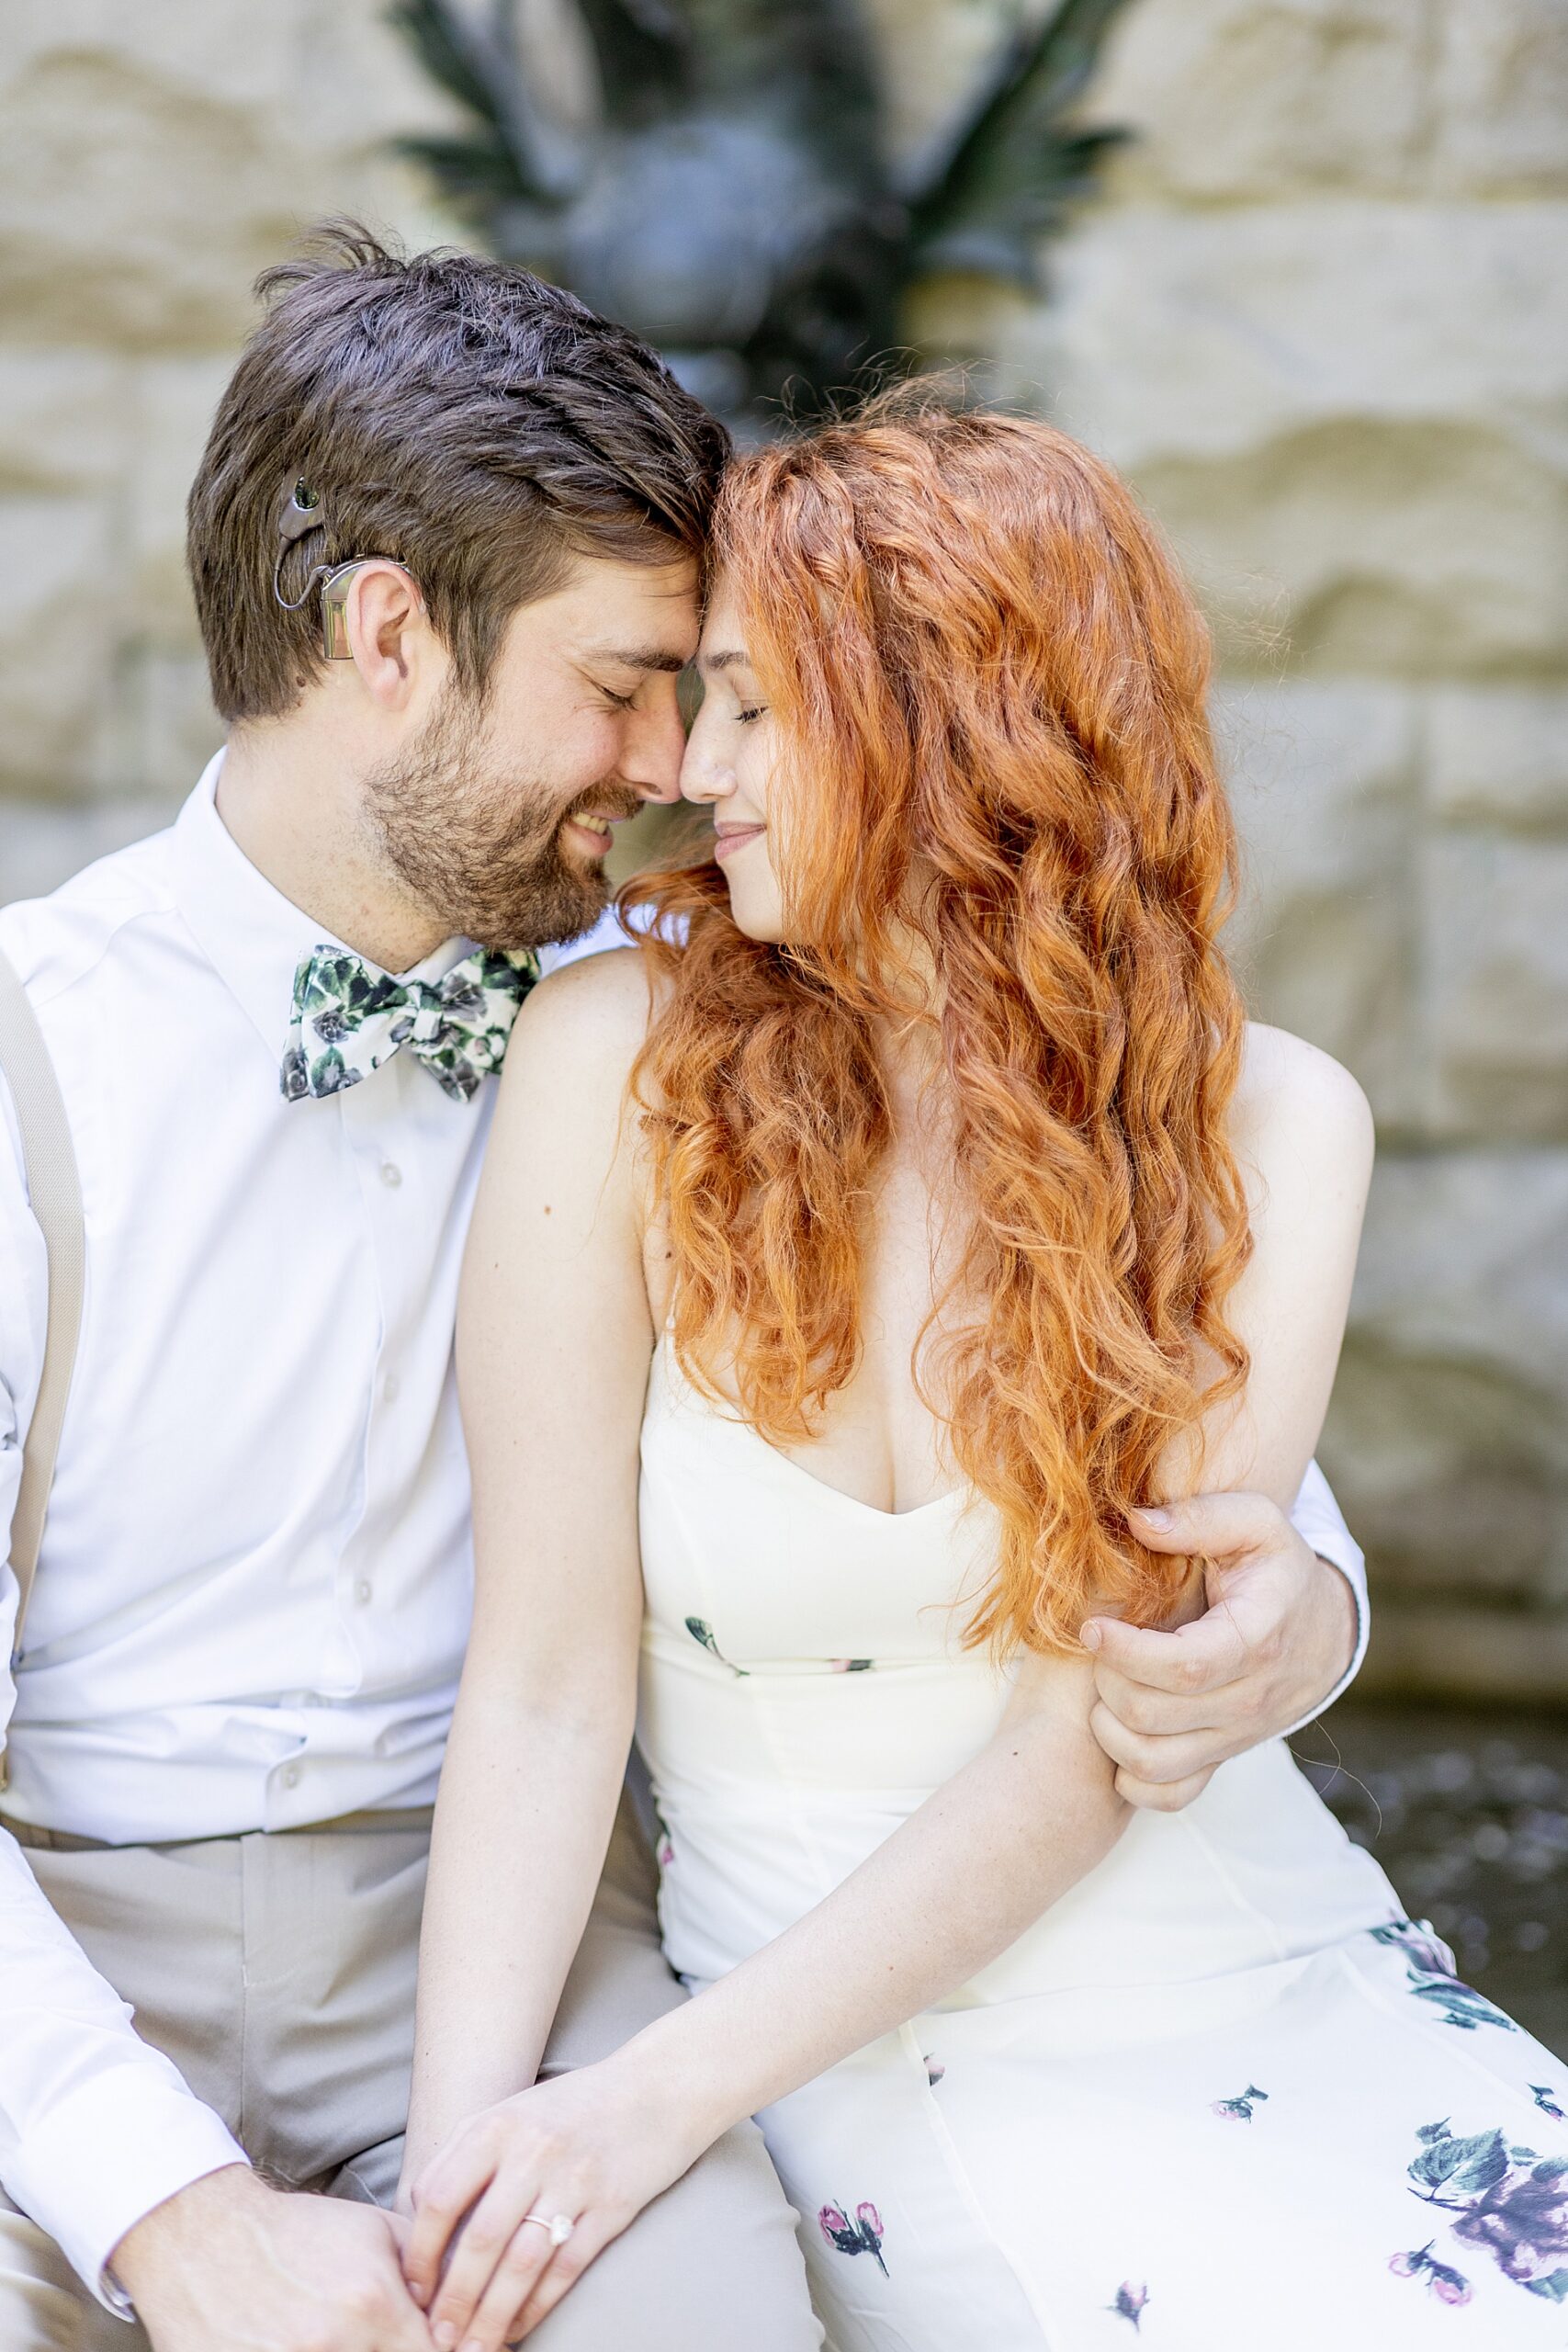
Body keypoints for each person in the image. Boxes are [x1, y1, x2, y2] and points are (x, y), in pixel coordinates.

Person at [0, 233, 1365, 2351]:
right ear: (387, 632)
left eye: (708, 694)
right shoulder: (29, 1059)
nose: (668, 769)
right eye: (628, 682)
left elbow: (1098, 1326)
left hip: (503, 1939)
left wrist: (1305, 1584)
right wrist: (169, 2215)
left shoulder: (676, 1026)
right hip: (57, 1942)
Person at [401, 399, 1568, 2351]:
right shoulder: (612, 1061)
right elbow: (537, 1681)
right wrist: (477, 2161)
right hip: (831, 2038)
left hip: (1231, 1956)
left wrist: (647, 2095)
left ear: (960, 726)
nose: (693, 770)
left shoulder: (1270, 1126)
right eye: (702, 700)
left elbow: (1095, 1743)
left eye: (762, 709)